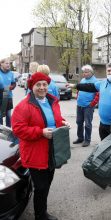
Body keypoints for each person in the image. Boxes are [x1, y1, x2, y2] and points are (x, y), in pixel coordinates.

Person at [11, 72, 70, 220]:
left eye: (44, 84)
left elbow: (55, 118)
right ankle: (40, 216)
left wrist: (62, 122)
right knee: (41, 187)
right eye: (38, 85)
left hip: (52, 149)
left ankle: (42, 212)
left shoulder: (52, 101)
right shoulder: (24, 106)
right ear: (32, 86)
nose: (42, 88)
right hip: (35, 152)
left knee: (47, 183)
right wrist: (40, 132)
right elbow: (18, 129)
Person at [74, 62, 111, 186]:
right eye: (109, 71)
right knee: (106, 150)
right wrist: (76, 85)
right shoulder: (103, 83)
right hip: (103, 124)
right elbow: (90, 86)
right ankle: (108, 170)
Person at [72, 65, 99, 147]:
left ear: (91, 72)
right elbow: (79, 89)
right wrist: (78, 98)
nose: (84, 74)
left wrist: (92, 104)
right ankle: (80, 138)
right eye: (83, 72)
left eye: (86, 72)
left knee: (87, 124)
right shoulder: (83, 80)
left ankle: (87, 140)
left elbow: (98, 95)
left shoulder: (95, 81)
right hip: (79, 105)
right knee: (79, 122)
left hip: (88, 106)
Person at [0, 58, 16, 127]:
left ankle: (8, 131)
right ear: (1, 64)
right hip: (0, 97)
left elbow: (14, 83)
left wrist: (11, 87)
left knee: (8, 115)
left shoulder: (11, 73)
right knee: (0, 116)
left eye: (9, 63)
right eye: (6, 63)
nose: (8, 65)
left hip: (8, 97)